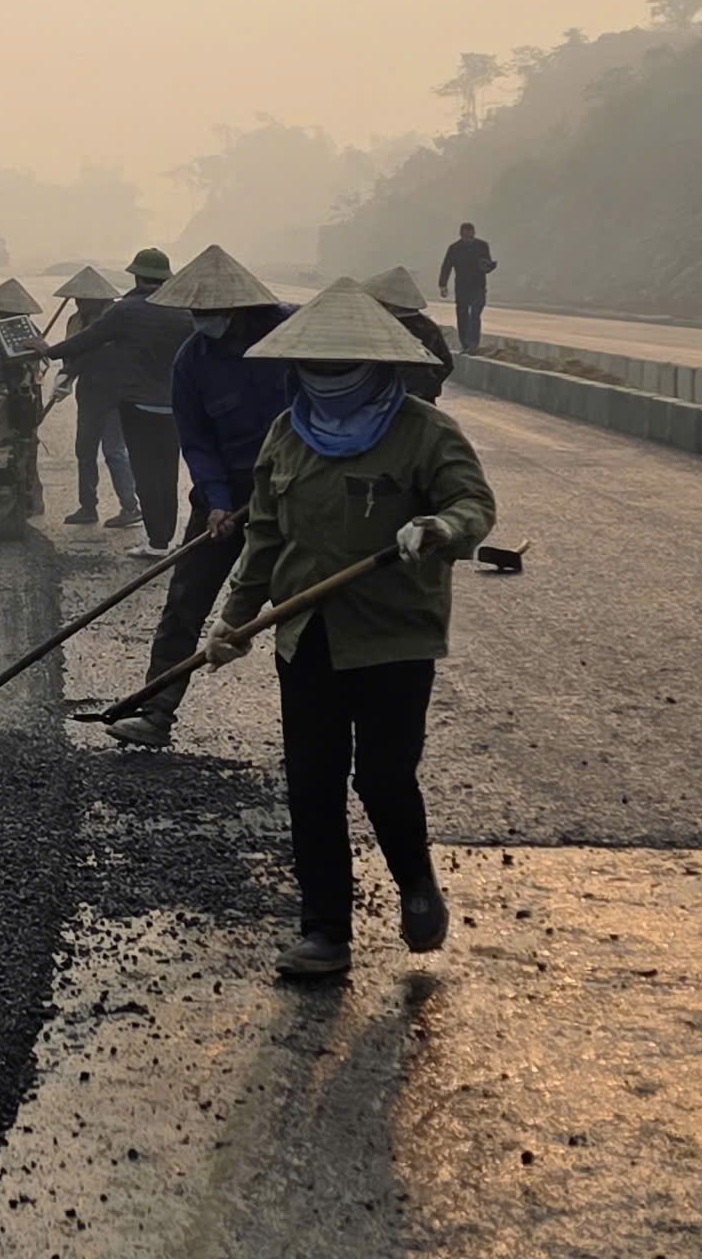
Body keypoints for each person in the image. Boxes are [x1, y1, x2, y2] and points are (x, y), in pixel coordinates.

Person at [203, 278, 496, 978]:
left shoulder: (425, 432)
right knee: (311, 782)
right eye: (314, 369)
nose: (325, 382)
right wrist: (235, 620)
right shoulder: (286, 434)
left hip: (395, 637)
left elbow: (473, 506)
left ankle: (416, 885)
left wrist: (440, 526)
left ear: (378, 367)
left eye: (340, 370)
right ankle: (325, 931)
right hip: (304, 636)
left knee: (385, 779)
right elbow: (266, 539)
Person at [104, 244, 295, 749]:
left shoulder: (292, 336)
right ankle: (155, 711)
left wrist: (284, 487)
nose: (199, 320)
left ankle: (314, 731)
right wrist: (213, 500)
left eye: (208, 313)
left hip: (297, 493)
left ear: (237, 308)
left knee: (299, 614)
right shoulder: (192, 359)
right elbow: (197, 441)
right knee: (185, 603)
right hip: (225, 492)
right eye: (193, 312)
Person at [45, 248, 194, 552]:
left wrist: (47, 351)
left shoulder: (126, 311)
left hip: (137, 403)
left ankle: (157, 540)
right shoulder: (183, 310)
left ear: (137, 276)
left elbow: (87, 341)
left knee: (144, 471)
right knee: (167, 472)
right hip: (174, 405)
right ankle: (165, 537)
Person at [48, 266, 141, 530]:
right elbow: (72, 351)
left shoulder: (115, 318)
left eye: (83, 298)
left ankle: (130, 507)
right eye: (76, 298)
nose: (78, 303)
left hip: (115, 392)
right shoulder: (74, 321)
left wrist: (69, 368)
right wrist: (66, 374)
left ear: (99, 299)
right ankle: (88, 506)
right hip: (88, 392)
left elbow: (95, 351)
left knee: (114, 450)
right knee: (84, 451)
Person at [362, 265, 455, 400]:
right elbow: (446, 363)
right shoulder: (428, 327)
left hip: (388, 399)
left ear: (390, 303)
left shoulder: (384, 327)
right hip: (421, 397)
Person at [437, 223, 497, 353]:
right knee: (462, 316)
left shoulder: (482, 246)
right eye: (466, 237)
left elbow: (486, 264)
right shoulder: (454, 248)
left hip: (479, 286)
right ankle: (465, 344)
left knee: (475, 315)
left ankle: (473, 344)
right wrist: (443, 285)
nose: (468, 240)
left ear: (474, 234)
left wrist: (489, 266)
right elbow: (446, 266)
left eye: (470, 237)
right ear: (461, 235)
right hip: (462, 287)